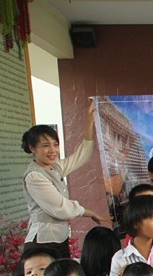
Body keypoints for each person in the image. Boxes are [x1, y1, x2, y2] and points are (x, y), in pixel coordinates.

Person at [22, 106, 109, 259]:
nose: (52, 150)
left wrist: (89, 122)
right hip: (43, 242)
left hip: (58, 239)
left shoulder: (54, 167)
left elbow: (82, 155)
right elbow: (60, 208)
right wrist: (87, 212)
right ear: (32, 148)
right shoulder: (34, 176)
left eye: (55, 144)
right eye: (45, 145)